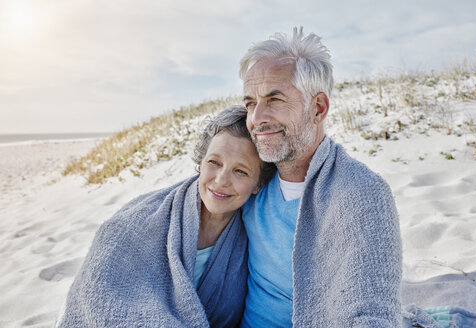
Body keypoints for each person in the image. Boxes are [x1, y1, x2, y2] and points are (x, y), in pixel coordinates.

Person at [238, 27, 402, 327]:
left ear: (318, 108)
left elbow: (373, 310)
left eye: (274, 100)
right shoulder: (247, 184)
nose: (257, 118)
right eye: (250, 103)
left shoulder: (362, 193)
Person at [55, 106, 275, 328]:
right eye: (214, 162)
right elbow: (97, 292)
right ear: (201, 161)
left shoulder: (253, 242)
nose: (221, 180)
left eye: (241, 171)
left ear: (258, 184)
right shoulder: (136, 222)